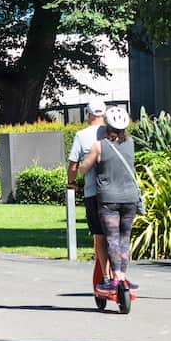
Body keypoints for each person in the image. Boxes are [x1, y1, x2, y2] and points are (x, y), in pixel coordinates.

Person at [79, 106, 140, 291]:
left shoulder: (99, 146)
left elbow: (83, 168)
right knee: (124, 239)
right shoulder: (130, 143)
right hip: (130, 198)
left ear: (107, 124)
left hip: (108, 200)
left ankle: (116, 279)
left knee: (112, 239)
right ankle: (124, 276)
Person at [67, 100, 108, 281]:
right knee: (116, 236)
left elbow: (74, 165)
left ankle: (105, 276)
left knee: (99, 236)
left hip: (93, 192)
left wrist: (71, 182)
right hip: (117, 192)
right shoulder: (114, 133)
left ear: (88, 115)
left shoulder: (81, 135)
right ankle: (119, 275)